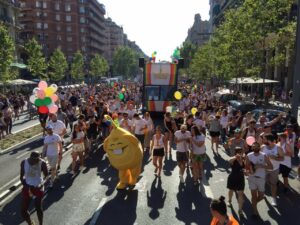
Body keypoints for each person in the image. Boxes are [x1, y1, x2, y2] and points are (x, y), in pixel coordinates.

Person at [245, 141, 273, 218]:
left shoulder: (264, 155)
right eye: (254, 146)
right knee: (253, 196)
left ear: (259, 147)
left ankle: (254, 204)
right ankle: (255, 212)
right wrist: (247, 172)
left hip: (261, 178)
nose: (255, 147)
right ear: (252, 147)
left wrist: (261, 166)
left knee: (261, 196)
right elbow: (246, 167)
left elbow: (271, 167)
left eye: (257, 146)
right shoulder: (249, 155)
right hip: (252, 178)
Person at [20, 151, 48, 225]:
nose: (36, 161)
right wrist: (24, 184)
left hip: (38, 187)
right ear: (30, 158)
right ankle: (31, 223)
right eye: (34, 160)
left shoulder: (42, 163)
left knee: (38, 208)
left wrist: (42, 184)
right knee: (23, 210)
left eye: (38, 160)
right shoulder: (24, 162)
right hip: (27, 187)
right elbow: (21, 176)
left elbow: (46, 176)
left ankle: (40, 223)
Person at [262, 133, 284, 206]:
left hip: (274, 169)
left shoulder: (278, 148)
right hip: (264, 169)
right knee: (263, 182)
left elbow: (282, 158)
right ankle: (262, 194)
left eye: (264, 139)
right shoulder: (263, 147)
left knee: (273, 184)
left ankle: (274, 199)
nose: (263, 140)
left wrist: (274, 158)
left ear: (269, 140)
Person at [227, 147, 245, 217]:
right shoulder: (233, 159)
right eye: (239, 152)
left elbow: (245, 167)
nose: (241, 153)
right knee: (231, 190)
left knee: (240, 194)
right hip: (233, 177)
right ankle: (229, 201)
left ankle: (240, 210)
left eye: (241, 152)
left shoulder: (243, 159)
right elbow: (229, 161)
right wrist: (235, 157)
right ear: (236, 153)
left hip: (241, 178)